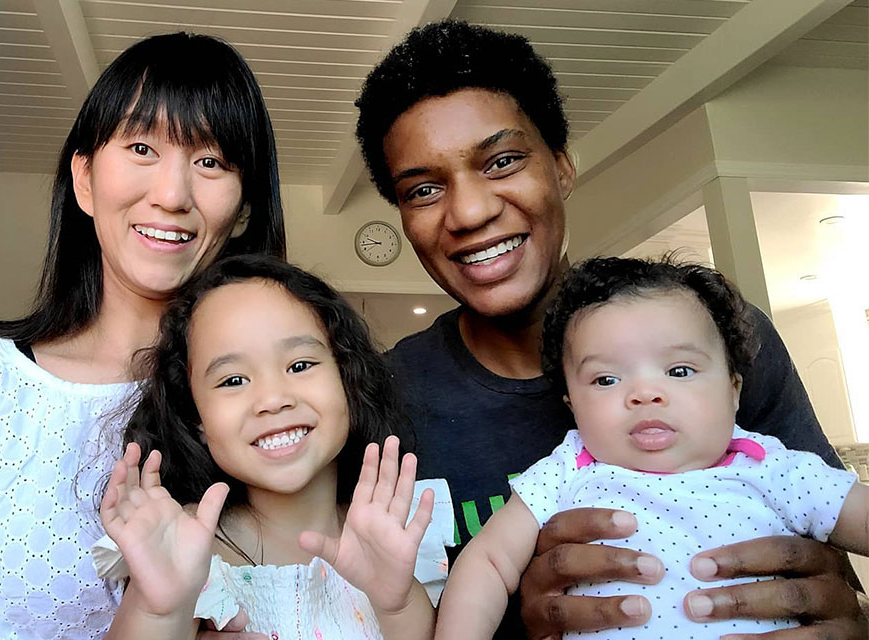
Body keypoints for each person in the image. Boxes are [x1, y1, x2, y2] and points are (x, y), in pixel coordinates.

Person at [354, 19, 866, 638]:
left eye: (504, 160)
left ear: (563, 166)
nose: (469, 212)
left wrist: (843, 616)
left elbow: (830, 557)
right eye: (425, 189)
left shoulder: (721, 338)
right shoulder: (382, 396)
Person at [0, 32, 285, 640]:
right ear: (84, 179)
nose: (172, 195)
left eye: (211, 161)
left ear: (242, 208)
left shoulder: (277, 406)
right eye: (141, 147)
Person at [435, 256, 868, 639]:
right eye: (606, 379)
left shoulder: (772, 467)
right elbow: (489, 562)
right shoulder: (570, 468)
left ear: (734, 390)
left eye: (679, 370)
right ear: (573, 407)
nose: (645, 393)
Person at [90, 254, 451, 639]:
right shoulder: (184, 541)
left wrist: (398, 603)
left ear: (347, 380)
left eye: (299, 366)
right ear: (195, 417)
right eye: (232, 381)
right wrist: (158, 610)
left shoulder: (398, 529)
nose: (273, 399)